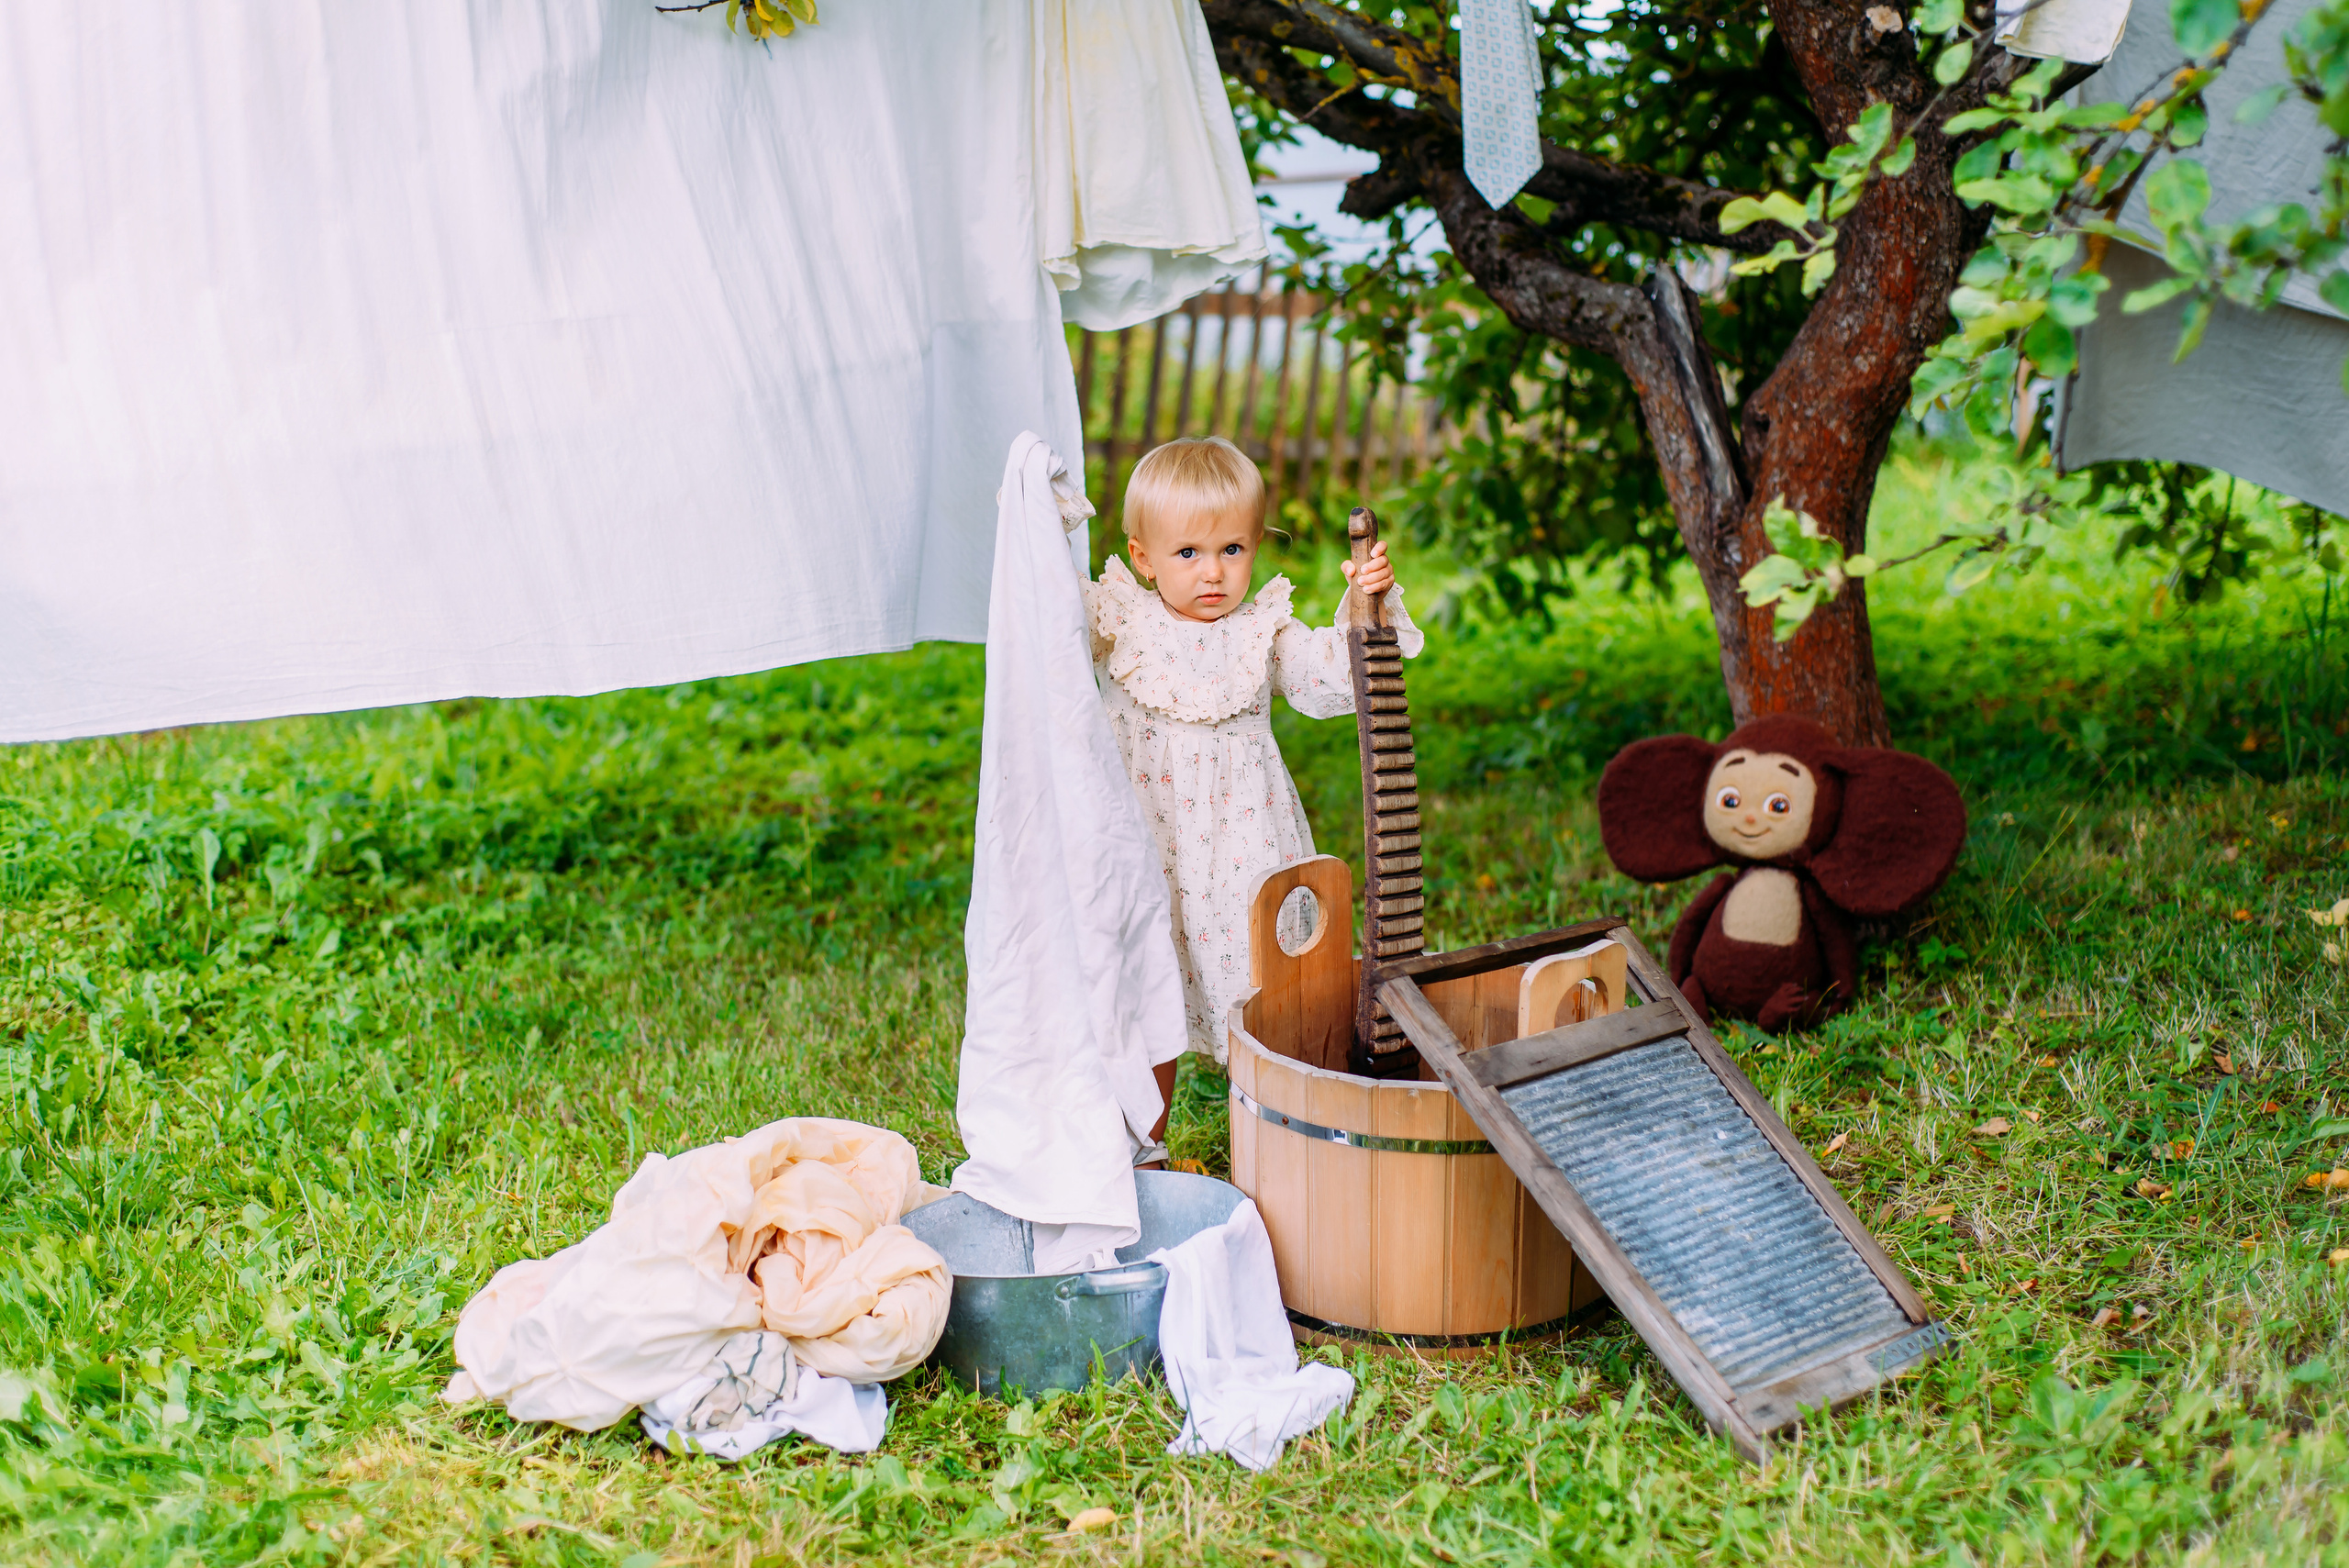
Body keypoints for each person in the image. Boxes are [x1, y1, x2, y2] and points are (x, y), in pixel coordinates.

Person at [1085, 436, 1421, 1164]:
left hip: (1242, 850)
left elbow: (1334, 679)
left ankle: (1281, 1148)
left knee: (1265, 992)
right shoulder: (1120, 625)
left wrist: (1367, 604)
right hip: (1151, 849)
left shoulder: (1260, 633)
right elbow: (1044, 642)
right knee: (1147, 988)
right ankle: (1140, 1150)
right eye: (1188, 554)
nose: (1213, 572)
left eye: (1233, 548)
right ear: (1142, 557)